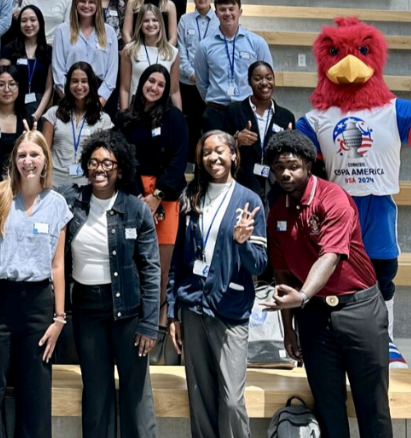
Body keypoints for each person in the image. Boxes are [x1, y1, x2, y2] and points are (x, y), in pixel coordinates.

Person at [263, 131, 392, 438]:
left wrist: (304, 294)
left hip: (359, 310)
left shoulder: (334, 198)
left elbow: (331, 254)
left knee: (372, 408)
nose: (285, 173)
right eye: (279, 167)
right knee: (328, 408)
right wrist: (289, 329)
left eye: (292, 165)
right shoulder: (278, 213)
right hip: (313, 319)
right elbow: (282, 275)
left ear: (308, 165)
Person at [0, 131, 73, 438]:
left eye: (34, 155)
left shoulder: (57, 205)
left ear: (45, 160)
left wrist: (59, 318)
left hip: (38, 304)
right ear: (14, 159)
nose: (28, 161)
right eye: (22, 155)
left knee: (36, 390)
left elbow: (58, 266)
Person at [167, 130, 267, 438]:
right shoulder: (190, 196)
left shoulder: (249, 201)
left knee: (232, 399)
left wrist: (243, 243)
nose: (214, 157)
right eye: (207, 152)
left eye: (220, 151)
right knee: (200, 396)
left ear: (235, 155)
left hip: (230, 309)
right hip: (193, 308)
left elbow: (259, 264)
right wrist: (172, 312)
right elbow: (179, 262)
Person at [66, 130, 160, 438]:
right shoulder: (72, 203)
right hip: (86, 309)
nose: (100, 168)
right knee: (96, 390)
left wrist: (149, 324)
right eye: (93, 162)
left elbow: (150, 268)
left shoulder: (136, 209)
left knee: (135, 392)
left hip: (128, 311)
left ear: (120, 168)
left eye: (108, 162)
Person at [118, 65, 188, 330]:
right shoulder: (125, 119)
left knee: (161, 265)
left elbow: (178, 159)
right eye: (151, 81)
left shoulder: (175, 118)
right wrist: (138, 197)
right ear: (142, 83)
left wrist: (157, 196)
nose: (155, 87)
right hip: (133, 194)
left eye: (161, 84)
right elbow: (124, 159)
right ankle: (133, 317)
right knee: (134, 260)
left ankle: (158, 321)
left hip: (166, 197)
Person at [195, 0, 273, 133]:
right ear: (216, 13)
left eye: (231, 9)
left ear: (240, 12)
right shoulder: (204, 46)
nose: (227, 13)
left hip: (247, 110)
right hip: (216, 112)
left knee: (247, 154)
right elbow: (202, 82)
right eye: (223, 9)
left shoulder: (257, 43)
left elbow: (267, 77)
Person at [42, 62, 115, 202]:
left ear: (92, 85)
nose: (79, 86)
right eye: (74, 81)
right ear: (68, 84)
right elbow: (44, 153)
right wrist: (46, 183)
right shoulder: (53, 114)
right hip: (54, 185)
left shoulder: (103, 119)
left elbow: (106, 159)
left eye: (84, 81)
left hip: (88, 186)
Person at [224, 61, 295, 204]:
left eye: (269, 78)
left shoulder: (286, 116)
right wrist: (236, 140)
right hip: (243, 183)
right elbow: (220, 144)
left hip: (275, 185)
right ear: (249, 82)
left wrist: (289, 145)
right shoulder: (234, 110)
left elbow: (293, 155)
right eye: (258, 78)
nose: (264, 82)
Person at [51, 0, 119, 107]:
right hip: (69, 95)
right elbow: (58, 70)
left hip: (100, 97)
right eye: (82, 1)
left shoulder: (109, 32)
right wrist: (71, 101)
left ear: (98, 4)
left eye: (91, 2)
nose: (86, 6)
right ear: (75, 3)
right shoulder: (62, 30)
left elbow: (112, 73)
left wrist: (99, 102)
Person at [177, 0, 218, 165]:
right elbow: (181, 49)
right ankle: (191, 161)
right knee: (190, 123)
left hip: (212, 83)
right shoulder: (185, 20)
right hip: (188, 81)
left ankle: (208, 158)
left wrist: (206, 77)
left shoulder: (219, 21)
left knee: (208, 122)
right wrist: (191, 72)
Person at [120, 5, 182, 110]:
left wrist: (180, 118)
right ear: (140, 23)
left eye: (154, 20)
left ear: (160, 23)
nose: (150, 24)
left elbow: (175, 91)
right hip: (136, 108)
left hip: (162, 110)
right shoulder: (130, 50)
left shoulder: (173, 52)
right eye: (146, 21)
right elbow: (124, 89)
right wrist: (123, 115)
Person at [0, 5, 55, 121]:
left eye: (33, 20)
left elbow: (49, 87)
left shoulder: (48, 51)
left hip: (40, 107)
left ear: (40, 22)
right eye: (23, 21)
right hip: (13, 105)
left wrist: (38, 114)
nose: (28, 24)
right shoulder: (9, 49)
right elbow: (2, 81)